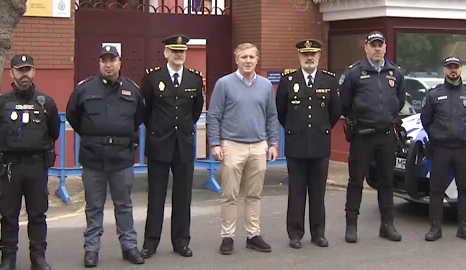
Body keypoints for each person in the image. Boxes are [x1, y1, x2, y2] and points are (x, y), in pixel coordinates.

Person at [66, 44, 147, 267]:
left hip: (121, 157)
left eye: (112, 60)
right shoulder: (84, 89)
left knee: (124, 205)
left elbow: (138, 117)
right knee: (94, 206)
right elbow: (74, 116)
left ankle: (129, 247)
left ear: (120, 63)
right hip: (93, 157)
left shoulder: (132, 89)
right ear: (99, 63)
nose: (108, 65)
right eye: (104, 60)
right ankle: (91, 249)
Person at [0, 54, 59, 270]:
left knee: (37, 214)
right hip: (10, 168)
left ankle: (38, 258)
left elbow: (53, 132)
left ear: (34, 72)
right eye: (19, 70)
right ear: (12, 73)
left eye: (28, 70)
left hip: (36, 167)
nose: (24, 74)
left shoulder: (47, 103)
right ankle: (8, 259)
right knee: (9, 215)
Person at [206, 43, 280, 255]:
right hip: (232, 145)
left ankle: (253, 235)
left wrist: (273, 143)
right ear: (236, 60)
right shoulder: (224, 84)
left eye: (251, 57)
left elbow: (271, 116)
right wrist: (215, 143)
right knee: (229, 194)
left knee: (254, 194)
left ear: (257, 60)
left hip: (258, 146)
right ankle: (227, 236)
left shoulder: (266, 86)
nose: (248, 61)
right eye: (243, 57)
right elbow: (214, 115)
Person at [140, 34, 205, 258]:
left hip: (183, 144)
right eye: (174, 50)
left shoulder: (194, 79)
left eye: (182, 51)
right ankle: (151, 242)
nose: (179, 54)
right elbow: (145, 111)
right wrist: (159, 129)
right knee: (156, 196)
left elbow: (196, 110)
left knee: (183, 195)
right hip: (159, 143)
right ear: (166, 53)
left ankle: (181, 241)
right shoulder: (151, 78)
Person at [338, 31, 404, 243]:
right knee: (356, 181)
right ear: (366, 47)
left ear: (385, 47)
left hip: (386, 135)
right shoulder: (354, 73)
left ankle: (387, 225)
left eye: (380, 45)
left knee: (386, 181)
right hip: (362, 135)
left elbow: (399, 101)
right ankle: (351, 226)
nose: (377, 49)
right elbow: (345, 104)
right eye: (373, 45)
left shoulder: (395, 73)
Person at [276, 39, 342, 248]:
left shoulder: (329, 81)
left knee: (317, 192)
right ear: (299, 56)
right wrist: (295, 129)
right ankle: (295, 234)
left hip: (320, 144)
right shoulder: (288, 80)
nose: (309, 58)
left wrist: (320, 129)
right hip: (296, 145)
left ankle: (318, 233)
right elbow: (281, 112)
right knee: (295, 192)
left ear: (319, 56)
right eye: (305, 54)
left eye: (313, 54)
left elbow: (335, 112)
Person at [420, 56, 466, 242]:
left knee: (465, 189)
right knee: (436, 189)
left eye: (456, 67)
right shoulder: (434, 94)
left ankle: (464, 227)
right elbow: (426, 120)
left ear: (461, 69)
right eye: (449, 67)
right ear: (444, 70)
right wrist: (437, 135)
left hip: (464, 148)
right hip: (441, 149)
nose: (452, 71)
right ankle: (435, 227)